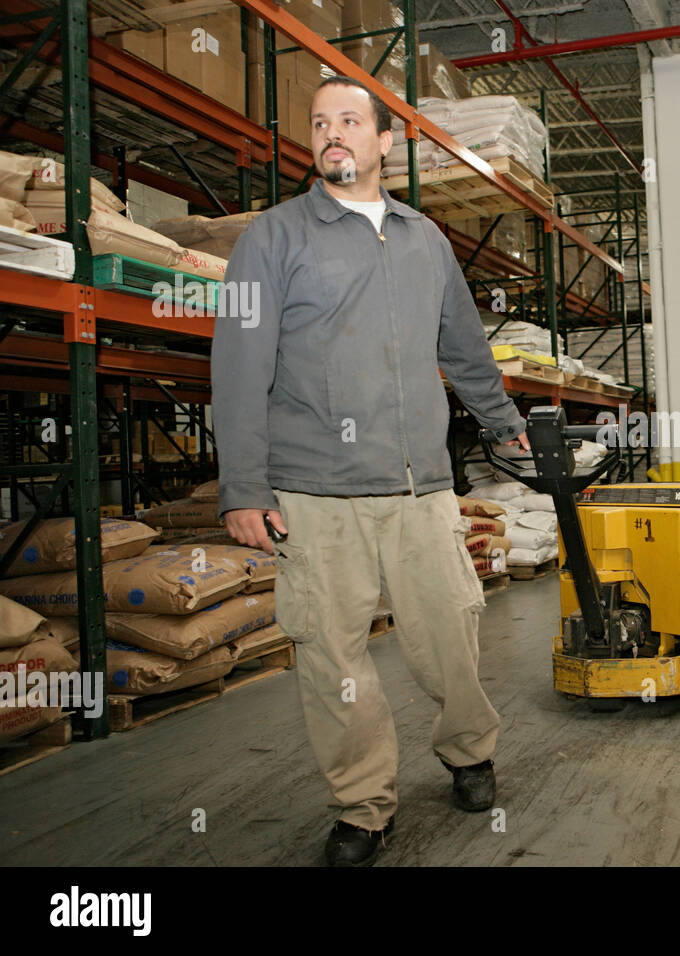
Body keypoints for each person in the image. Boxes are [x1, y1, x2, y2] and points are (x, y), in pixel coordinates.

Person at [212, 75, 530, 867]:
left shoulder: (425, 240)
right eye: (320, 123)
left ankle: (468, 751)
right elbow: (239, 365)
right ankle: (362, 805)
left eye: (350, 121)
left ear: (386, 141)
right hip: (313, 491)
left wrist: (507, 427)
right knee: (329, 653)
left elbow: (463, 348)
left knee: (449, 633)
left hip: (419, 484)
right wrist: (243, 485)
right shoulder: (272, 239)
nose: (332, 135)